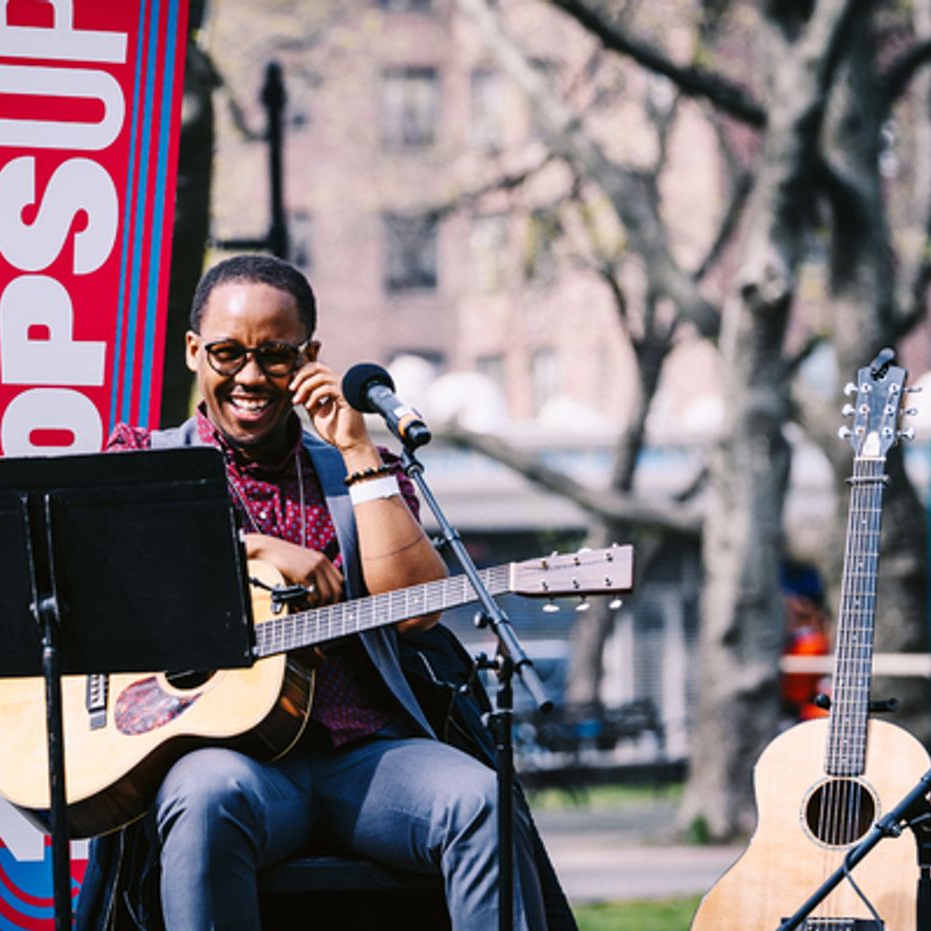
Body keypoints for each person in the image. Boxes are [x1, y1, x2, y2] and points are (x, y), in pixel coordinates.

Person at [76, 254, 576, 931]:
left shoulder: (351, 469)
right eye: (227, 353)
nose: (251, 376)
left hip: (366, 758)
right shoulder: (142, 460)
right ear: (194, 350)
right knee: (203, 796)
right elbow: (97, 577)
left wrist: (360, 454)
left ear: (309, 357)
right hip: (233, 765)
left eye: (275, 356)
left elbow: (419, 608)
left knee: (480, 799)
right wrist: (251, 548)